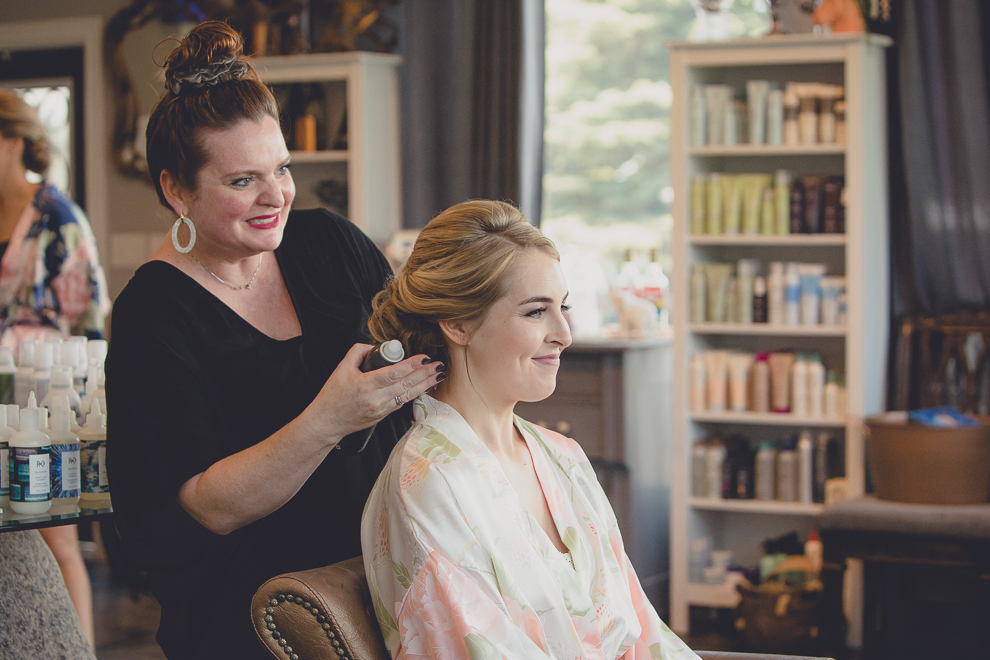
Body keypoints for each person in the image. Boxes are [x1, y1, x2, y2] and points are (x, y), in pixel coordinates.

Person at [105, 22, 443, 660]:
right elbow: (203, 508)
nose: (276, 196)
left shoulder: (331, 245)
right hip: (257, 615)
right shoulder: (153, 315)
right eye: (242, 182)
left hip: (388, 584)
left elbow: (422, 352)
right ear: (176, 189)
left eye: (281, 168)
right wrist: (328, 421)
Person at [361, 200, 699, 659]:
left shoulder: (563, 457)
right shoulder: (428, 484)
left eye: (563, 307)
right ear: (458, 323)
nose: (565, 333)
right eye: (536, 312)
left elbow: (643, 633)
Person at [0, 90, 110, 651]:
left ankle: (76, 647)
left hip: (46, 400)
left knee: (55, 540)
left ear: (13, 142)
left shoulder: (57, 219)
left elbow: (89, 321)